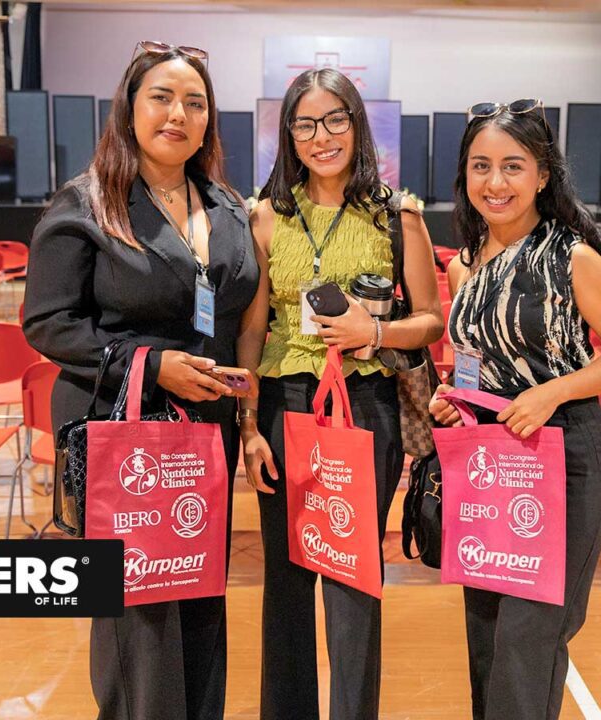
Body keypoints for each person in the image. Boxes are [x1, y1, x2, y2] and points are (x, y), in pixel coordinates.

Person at [22, 41, 257, 720]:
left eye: (195, 101)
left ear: (210, 119)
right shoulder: (87, 203)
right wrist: (153, 365)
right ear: (129, 109)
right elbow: (48, 325)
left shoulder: (224, 205)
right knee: (139, 612)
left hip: (204, 435)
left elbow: (236, 308)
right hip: (121, 432)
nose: (177, 113)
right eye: (161, 97)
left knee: (199, 595)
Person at [427, 100, 601, 719]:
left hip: (563, 453)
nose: (495, 183)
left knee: (530, 637)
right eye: (480, 166)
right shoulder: (464, 264)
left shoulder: (572, 257)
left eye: (513, 167)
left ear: (544, 175)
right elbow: (471, 356)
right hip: (489, 461)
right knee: (486, 635)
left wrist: (552, 392)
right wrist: (457, 397)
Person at [236, 68, 443, 720]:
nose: (320, 136)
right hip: (281, 406)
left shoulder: (397, 215)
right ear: (287, 134)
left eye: (334, 120)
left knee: (355, 574)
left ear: (357, 126)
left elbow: (431, 319)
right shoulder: (265, 217)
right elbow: (251, 326)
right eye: (305, 123)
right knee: (288, 581)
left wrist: (372, 328)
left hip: (367, 406)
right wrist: (246, 427)